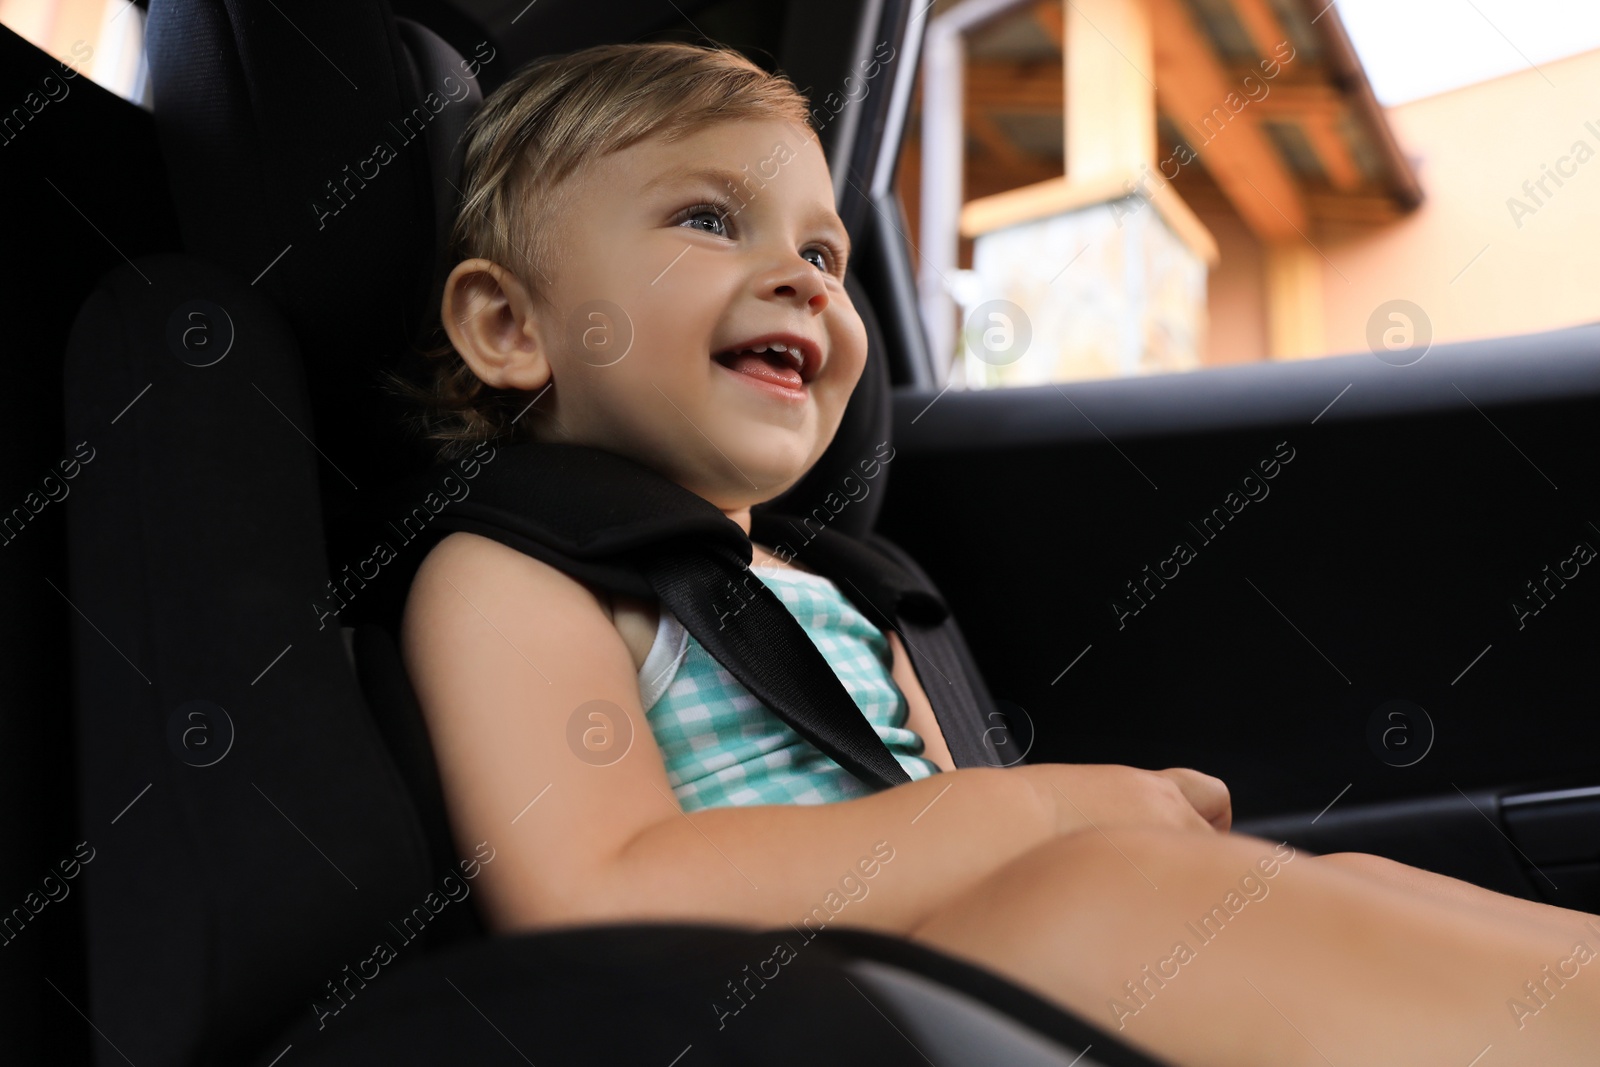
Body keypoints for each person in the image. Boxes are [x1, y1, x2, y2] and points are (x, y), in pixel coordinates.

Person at [388, 41, 1600, 1065]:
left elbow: (936, 814)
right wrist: (1051, 813)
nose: (799, 281)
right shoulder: (517, 575)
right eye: (709, 219)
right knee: (1111, 889)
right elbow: (592, 896)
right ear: (508, 324)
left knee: (1355, 878)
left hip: (949, 976)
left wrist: (1051, 828)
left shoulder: (847, 590)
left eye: (825, 255)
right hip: (768, 1014)